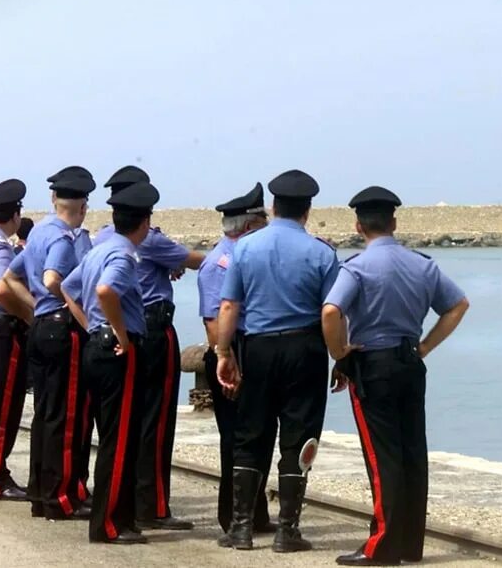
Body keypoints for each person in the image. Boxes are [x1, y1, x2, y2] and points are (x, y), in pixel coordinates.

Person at [322, 186, 469, 566]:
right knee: (411, 453)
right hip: (409, 360)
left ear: (359, 225)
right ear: (394, 223)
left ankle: (382, 546)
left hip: (373, 365)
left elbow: (330, 312)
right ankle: (408, 544)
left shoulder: (356, 267)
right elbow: (458, 305)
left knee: (381, 454)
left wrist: (339, 353)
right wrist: (424, 346)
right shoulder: (422, 264)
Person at [215, 169, 338, 552]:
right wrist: (341, 356)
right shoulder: (322, 252)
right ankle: (287, 529)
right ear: (307, 210)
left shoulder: (246, 248)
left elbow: (230, 304)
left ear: (273, 205)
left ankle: (240, 527)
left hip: (258, 348)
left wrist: (223, 352)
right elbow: (332, 311)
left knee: (251, 432)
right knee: (299, 436)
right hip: (305, 349)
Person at [95, 165, 204, 530]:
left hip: (124, 331)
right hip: (154, 330)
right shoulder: (148, 240)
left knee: (132, 420)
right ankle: (153, 504)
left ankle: (132, 501)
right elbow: (194, 260)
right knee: (156, 423)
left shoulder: (102, 239)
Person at [62, 181, 160, 545]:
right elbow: (105, 291)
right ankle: (108, 524)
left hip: (96, 349)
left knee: (117, 438)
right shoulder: (122, 256)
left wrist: (92, 328)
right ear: (144, 223)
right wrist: (118, 333)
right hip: (118, 352)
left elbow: (68, 290)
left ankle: (122, 517)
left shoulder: (98, 249)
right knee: (118, 442)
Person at [1, 173, 95, 520]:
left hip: (41, 327)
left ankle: (42, 492)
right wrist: (67, 304)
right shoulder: (63, 239)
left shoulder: (38, 231)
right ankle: (62, 496)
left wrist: (34, 308)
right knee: (67, 416)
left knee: (45, 413)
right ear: (83, 206)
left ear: (55, 199)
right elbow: (53, 279)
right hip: (62, 329)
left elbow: (11, 278)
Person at [197, 182, 275, 545]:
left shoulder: (246, 257)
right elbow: (214, 322)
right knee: (236, 439)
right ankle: (233, 515)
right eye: (261, 221)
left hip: (250, 349)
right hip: (231, 354)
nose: (266, 227)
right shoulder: (219, 263)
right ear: (247, 225)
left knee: (259, 436)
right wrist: (227, 362)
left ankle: (256, 513)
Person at [0, 179, 29, 500]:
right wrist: (29, 314)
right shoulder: (0, 245)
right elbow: (1, 288)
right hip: (1, 331)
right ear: (14, 215)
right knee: (3, 407)